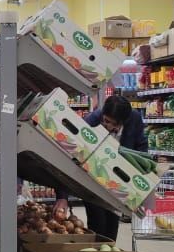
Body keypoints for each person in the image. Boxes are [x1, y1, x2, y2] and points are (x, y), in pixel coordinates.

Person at [54, 94, 147, 242]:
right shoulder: (89, 122)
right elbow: (67, 157)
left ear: (123, 121)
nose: (108, 126)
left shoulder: (134, 119)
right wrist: (62, 197)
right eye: (106, 121)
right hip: (92, 180)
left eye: (113, 124)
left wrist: (138, 187)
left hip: (117, 182)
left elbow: (141, 149)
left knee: (112, 224)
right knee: (98, 223)